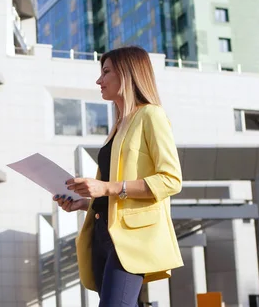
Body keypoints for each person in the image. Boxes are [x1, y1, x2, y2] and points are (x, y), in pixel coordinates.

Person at [53, 46, 183, 306]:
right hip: (102, 235)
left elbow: (171, 179)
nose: (99, 80)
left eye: (106, 72)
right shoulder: (118, 126)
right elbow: (112, 190)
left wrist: (105, 188)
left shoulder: (151, 115)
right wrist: (84, 202)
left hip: (131, 239)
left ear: (127, 73)